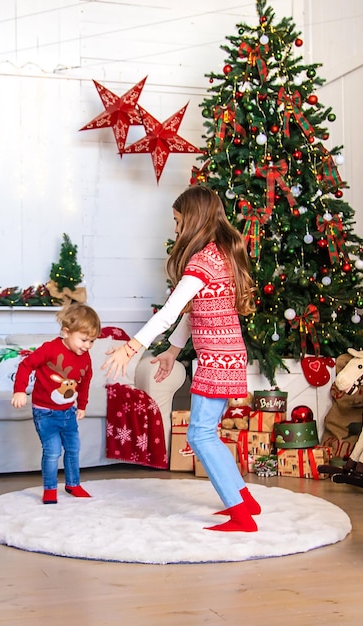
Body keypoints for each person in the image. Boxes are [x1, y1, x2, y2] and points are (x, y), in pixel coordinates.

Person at [102, 185, 260, 532]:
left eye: (177, 222)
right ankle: (246, 501)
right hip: (227, 355)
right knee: (208, 433)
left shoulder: (202, 262)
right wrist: (173, 351)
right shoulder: (221, 255)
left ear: (192, 220)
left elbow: (168, 313)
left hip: (217, 359)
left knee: (201, 436)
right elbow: (194, 313)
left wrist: (132, 348)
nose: (175, 230)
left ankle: (241, 516)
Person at [11, 302, 101, 504]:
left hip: (68, 411)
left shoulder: (85, 358)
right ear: (66, 332)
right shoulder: (49, 349)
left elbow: (85, 381)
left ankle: (73, 484)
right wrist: (19, 390)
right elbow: (26, 365)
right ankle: (50, 488)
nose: (87, 346)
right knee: (52, 451)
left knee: (73, 448)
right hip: (45, 413)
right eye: (84, 340)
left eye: (92, 341)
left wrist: (83, 405)